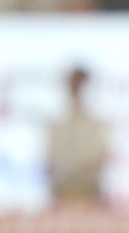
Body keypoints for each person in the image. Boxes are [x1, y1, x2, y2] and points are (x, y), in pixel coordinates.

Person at [46, 65, 111, 208]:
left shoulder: (97, 123)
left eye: (80, 85)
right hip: (61, 192)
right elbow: (51, 161)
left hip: (91, 192)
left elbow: (101, 156)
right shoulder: (57, 124)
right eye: (73, 85)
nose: (77, 90)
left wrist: (78, 170)